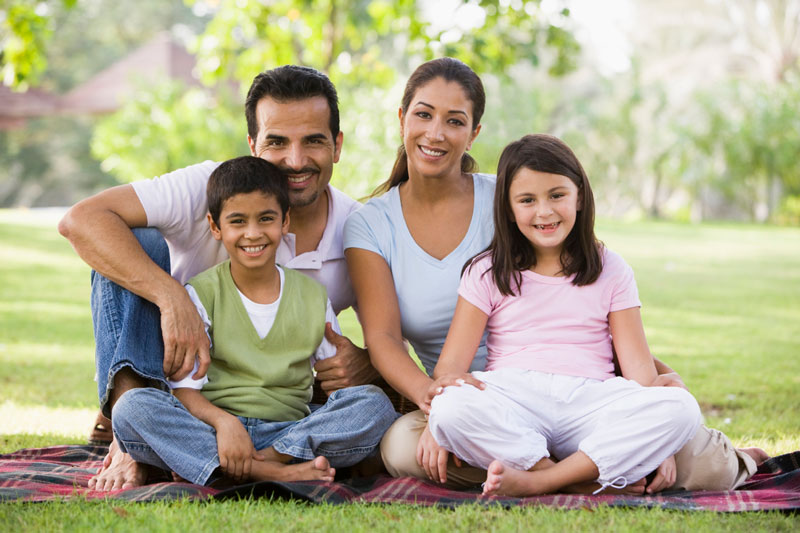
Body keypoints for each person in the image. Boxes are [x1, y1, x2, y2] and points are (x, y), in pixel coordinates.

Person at [344, 58, 764, 492]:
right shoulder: (383, 227)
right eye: (424, 114)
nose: (436, 132)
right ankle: (571, 475)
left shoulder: (510, 197)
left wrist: (662, 381)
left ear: (474, 133)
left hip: (589, 397)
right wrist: (437, 409)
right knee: (404, 449)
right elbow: (393, 344)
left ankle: (562, 475)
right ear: (401, 118)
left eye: (455, 120)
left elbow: (595, 319)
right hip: (494, 402)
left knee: (681, 424)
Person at [59, 65, 381, 491]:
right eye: (277, 142)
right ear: (252, 144)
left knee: (371, 407)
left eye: (314, 141)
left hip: (280, 413)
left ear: (337, 146)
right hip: (180, 388)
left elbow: (391, 339)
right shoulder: (209, 186)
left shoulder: (359, 230)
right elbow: (82, 220)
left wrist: (367, 363)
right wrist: (172, 297)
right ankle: (127, 439)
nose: (296, 161)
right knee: (131, 240)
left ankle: (256, 460)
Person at [425, 134, 705, 496]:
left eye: (557, 195)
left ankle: (540, 482)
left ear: (580, 196)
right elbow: (448, 371)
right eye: (527, 200)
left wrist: (657, 445)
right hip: (514, 396)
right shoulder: (486, 271)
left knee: (680, 407)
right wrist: (439, 421)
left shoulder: (612, 269)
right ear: (509, 210)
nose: (544, 212)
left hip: (591, 400)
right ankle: (575, 479)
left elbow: (639, 374)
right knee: (450, 407)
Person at [111, 156, 396, 485]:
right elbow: (184, 392)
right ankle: (267, 472)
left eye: (266, 219)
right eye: (237, 221)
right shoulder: (201, 295)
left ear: (284, 221)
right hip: (215, 431)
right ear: (216, 227)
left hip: (291, 432)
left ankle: (264, 461)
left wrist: (289, 443)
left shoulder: (314, 298)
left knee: (373, 404)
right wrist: (224, 424)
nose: (253, 233)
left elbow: (340, 386)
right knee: (132, 407)